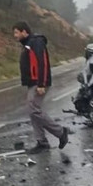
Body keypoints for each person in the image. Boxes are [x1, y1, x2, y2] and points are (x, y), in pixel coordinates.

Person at [13, 22, 69, 154]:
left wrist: (41, 83)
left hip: (38, 82)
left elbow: (42, 63)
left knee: (33, 109)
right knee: (33, 111)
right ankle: (42, 142)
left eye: (16, 32)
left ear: (24, 32)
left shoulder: (36, 42)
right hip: (32, 82)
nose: (14, 35)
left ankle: (61, 132)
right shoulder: (27, 44)